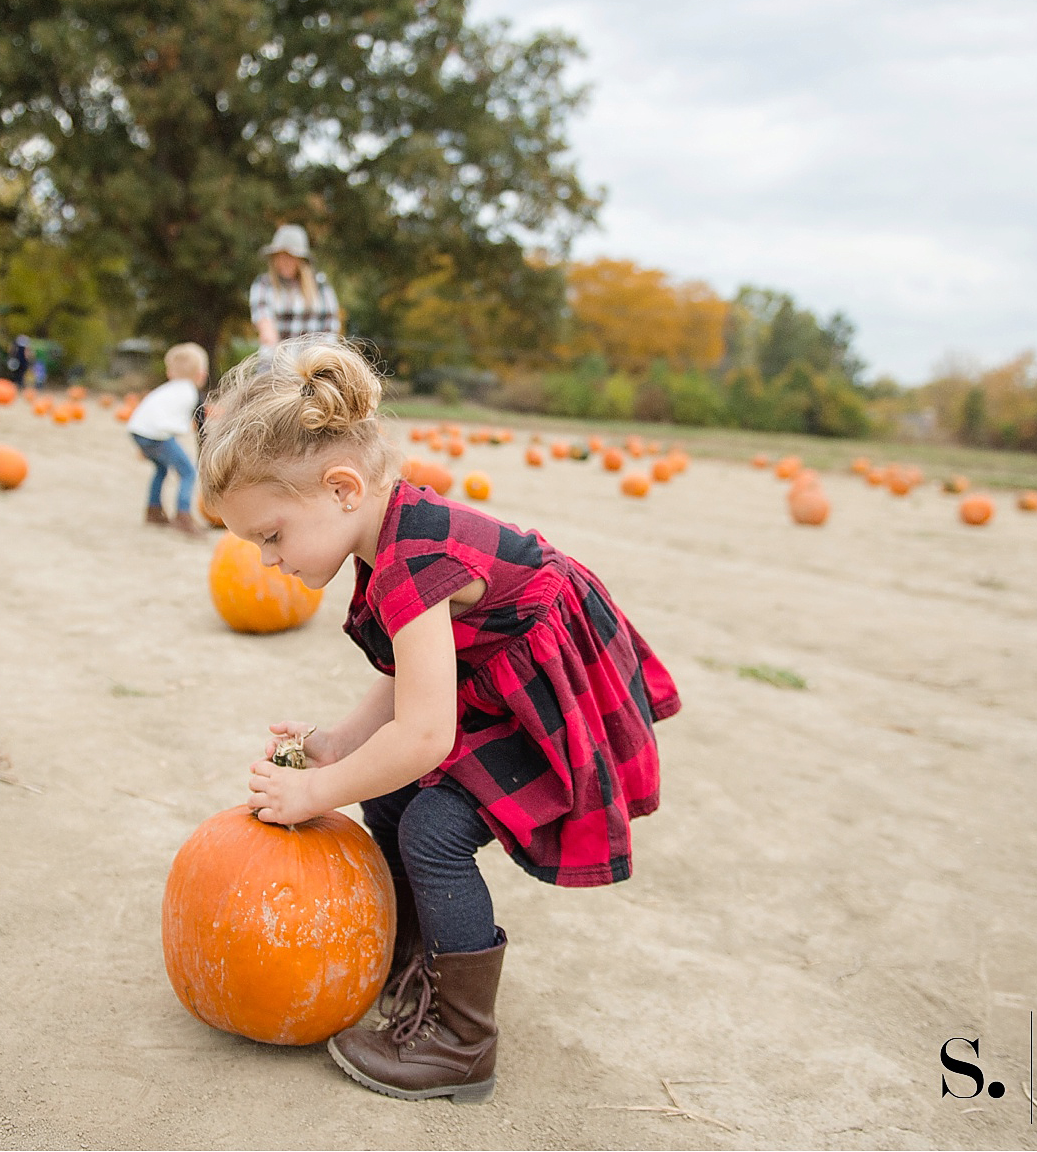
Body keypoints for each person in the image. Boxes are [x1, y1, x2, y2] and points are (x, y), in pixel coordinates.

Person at [197, 335, 680, 1105]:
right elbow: (410, 681)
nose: (267, 562)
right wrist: (337, 744)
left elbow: (426, 734)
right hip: (499, 684)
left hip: (546, 698)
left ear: (343, 488)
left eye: (272, 536)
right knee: (392, 799)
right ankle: (413, 959)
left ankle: (463, 1041)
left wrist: (314, 792)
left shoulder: (411, 563)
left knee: (434, 828)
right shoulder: (389, 534)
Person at [127, 342, 210, 536]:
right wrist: (204, 452)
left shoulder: (165, 389)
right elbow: (201, 427)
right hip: (157, 435)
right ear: (201, 375)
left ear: (170, 373)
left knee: (161, 468)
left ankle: (153, 511)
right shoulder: (192, 392)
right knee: (188, 472)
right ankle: (182, 516)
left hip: (138, 432)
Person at [248, 224, 341, 371]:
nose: (284, 261)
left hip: (312, 365)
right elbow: (265, 325)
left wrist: (314, 361)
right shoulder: (263, 284)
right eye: (280, 256)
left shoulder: (321, 286)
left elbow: (330, 328)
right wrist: (284, 360)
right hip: (275, 363)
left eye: (290, 257)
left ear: (300, 260)